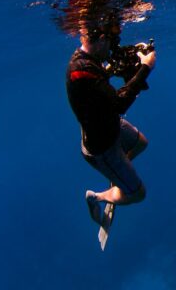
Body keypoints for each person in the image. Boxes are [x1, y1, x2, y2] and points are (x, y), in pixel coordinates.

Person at [66, 23, 156, 224]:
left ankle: (118, 174)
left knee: (141, 143)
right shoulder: (80, 71)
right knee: (138, 194)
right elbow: (119, 103)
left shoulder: (87, 60)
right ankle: (96, 196)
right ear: (99, 40)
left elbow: (100, 81)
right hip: (102, 147)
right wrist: (145, 68)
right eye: (110, 43)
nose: (111, 49)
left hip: (108, 125)